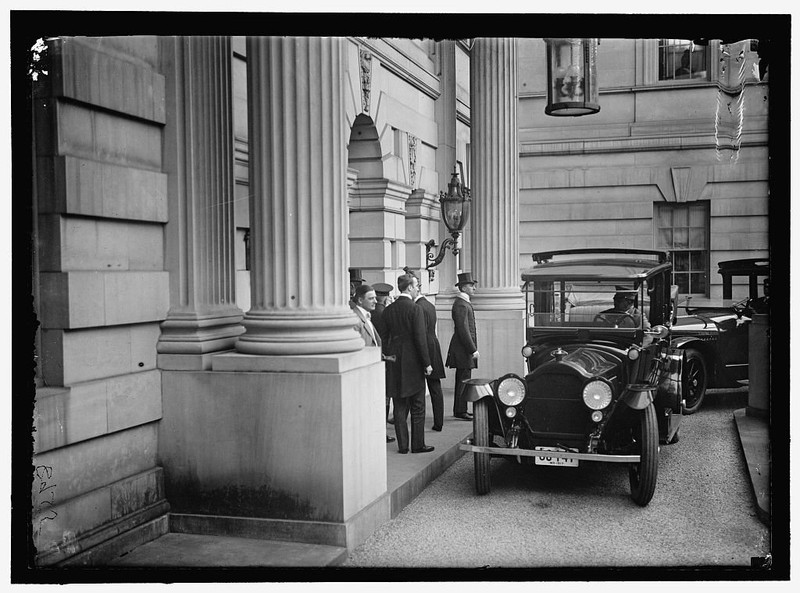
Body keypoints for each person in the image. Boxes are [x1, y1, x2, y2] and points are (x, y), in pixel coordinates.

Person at [379, 273, 434, 454]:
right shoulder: (415, 309)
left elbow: (384, 339)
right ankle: (418, 445)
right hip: (414, 364)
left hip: (395, 363)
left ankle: (403, 446)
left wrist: (390, 355)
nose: (418, 288)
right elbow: (420, 339)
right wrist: (427, 363)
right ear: (409, 287)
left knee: (399, 406)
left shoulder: (388, 310)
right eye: (416, 285)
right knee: (418, 406)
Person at [352, 283, 396, 443]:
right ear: (359, 300)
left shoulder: (366, 317)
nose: (375, 302)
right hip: (364, 372)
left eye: (375, 298)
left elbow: (374, 343)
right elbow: (359, 349)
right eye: (371, 298)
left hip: (374, 369)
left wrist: (384, 356)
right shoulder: (355, 320)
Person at [446, 272, 479, 421]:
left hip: (463, 348)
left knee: (464, 379)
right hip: (463, 349)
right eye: (471, 285)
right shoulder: (461, 304)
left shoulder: (463, 302)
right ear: (464, 287)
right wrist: (472, 349)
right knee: (463, 380)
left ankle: (461, 409)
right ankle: (460, 410)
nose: (474, 288)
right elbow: (463, 329)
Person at [415, 281, 446, 432]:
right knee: (435, 387)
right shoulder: (429, 304)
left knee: (418, 386)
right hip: (433, 345)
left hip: (424, 347)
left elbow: (419, 333)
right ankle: (438, 421)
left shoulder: (418, 307)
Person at [371, 282, 394, 425]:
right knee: (385, 393)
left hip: (376, 355)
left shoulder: (373, 311)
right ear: (385, 298)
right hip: (385, 355)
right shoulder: (383, 312)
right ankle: (382, 425)